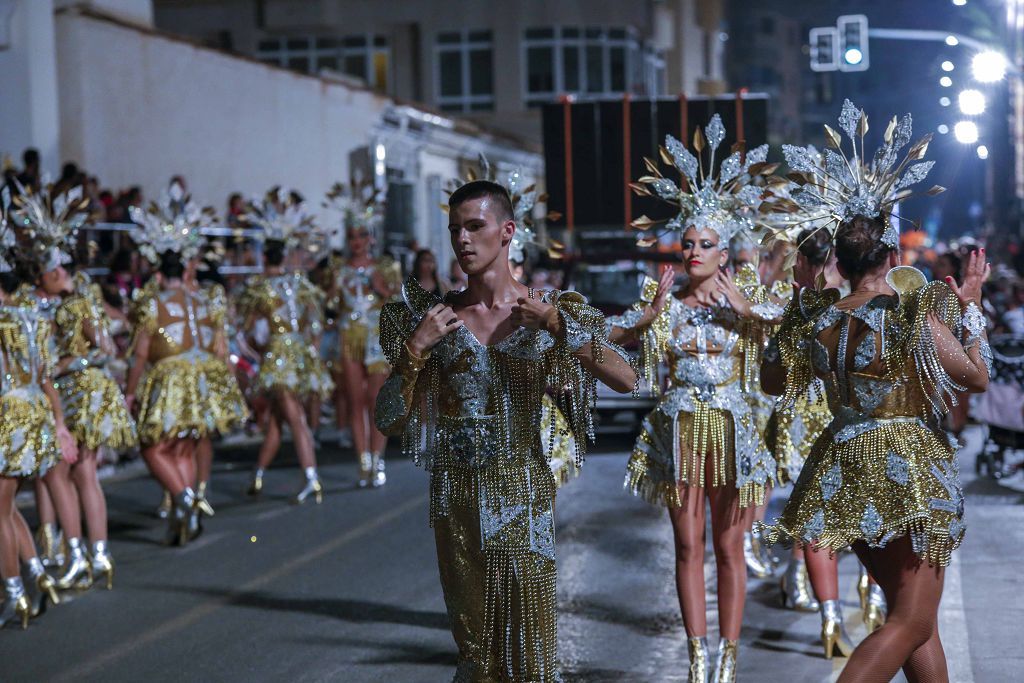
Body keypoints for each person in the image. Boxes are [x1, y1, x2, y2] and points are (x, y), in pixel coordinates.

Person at [762, 100, 990, 682]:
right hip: (904, 468)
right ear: (892, 256)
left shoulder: (818, 319)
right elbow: (975, 375)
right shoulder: (910, 313)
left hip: (840, 467)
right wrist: (973, 308)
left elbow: (771, 381)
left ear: (837, 259)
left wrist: (794, 308)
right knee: (912, 622)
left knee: (916, 620)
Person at [375, 179, 636, 681]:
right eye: (456, 230)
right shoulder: (436, 320)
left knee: (529, 651)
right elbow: (389, 420)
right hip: (455, 498)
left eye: (475, 226)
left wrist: (558, 326)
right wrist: (414, 352)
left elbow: (626, 377)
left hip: (522, 489)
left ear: (507, 232)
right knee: (475, 653)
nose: (463, 241)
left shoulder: (546, 311)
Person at [615, 115, 780, 682]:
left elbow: (792, 340)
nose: (692, 251)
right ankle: (696, 657)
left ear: (725, 251)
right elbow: (615, 346)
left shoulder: (750, 298)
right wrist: (648, 317)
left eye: (705, 244)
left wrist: (748, 314)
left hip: (732, 435)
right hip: (679, 434)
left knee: (730, 551)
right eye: (686, 243)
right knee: (688, 549)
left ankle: (729, 660)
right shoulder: (665, 301)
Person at [239, 188, 330, 504]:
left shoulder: (260, 289)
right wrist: (310, 349)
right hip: (300, 356)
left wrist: (256, 353)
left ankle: (312, 478)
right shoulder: (298, 284)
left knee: (294, 419)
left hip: (278, 358)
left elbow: (244, 330)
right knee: (278, 421)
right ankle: (258, 476)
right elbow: (316, 321)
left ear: (266, 255)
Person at [52, 263, 138, 589]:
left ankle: (83, 555)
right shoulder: (74, 303)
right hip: (78, 391)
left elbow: (107, 347)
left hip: (81, 392)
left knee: (75, 472)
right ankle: (96, 554)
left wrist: (69, 363)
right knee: (82, 474)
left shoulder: (75, 305)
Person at [324, 181, 398, 487]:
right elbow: (329, 304)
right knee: (355, 401)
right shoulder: (338, 268)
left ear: (371, 237)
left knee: (375, 400)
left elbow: (397, 300)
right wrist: (332, 289)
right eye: (352, 236)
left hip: (375, 337)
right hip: (349, 337)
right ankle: (363, 461)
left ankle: (378, 459)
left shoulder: (385, 266)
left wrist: (381, 288)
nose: (357, 241)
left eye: (362, 235)